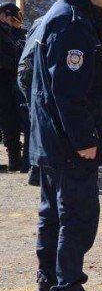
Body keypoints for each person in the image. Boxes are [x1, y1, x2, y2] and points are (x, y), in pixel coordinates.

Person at [30, 0, 102, 291]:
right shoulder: (73, 26)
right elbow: (68, 93)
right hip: (69, 145)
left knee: (53, 215)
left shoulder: (63, 15)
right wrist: (84, 138)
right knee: (77, 217)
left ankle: (48, 286)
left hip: (52, 142)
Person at [17, 15, 45, 185]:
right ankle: (35, 169)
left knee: (34, 123)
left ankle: (32, 167)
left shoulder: (39, 22)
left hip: (27, 73)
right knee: (39, 124)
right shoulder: (56, 21)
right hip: (33, 75)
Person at [0, 2, 26, 172]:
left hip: (8, 83)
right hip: (3, 82)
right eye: (12, 20)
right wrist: (18, 65)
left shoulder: (9, 33)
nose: (14, 24)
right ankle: (15, 161)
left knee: (11, 123)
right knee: (9, 122)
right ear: (3, 15)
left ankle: (15, 161)